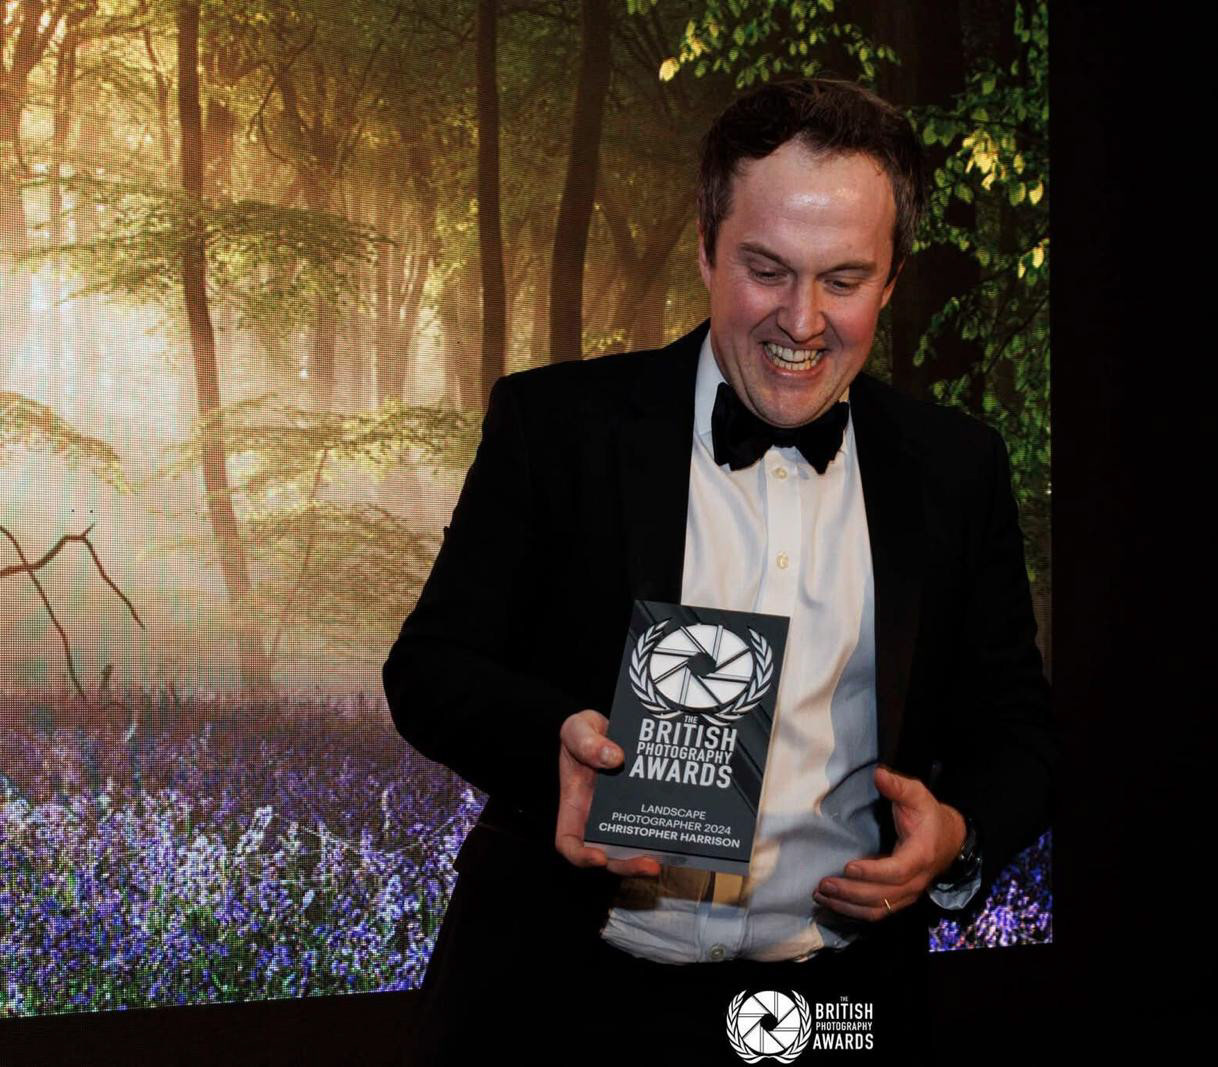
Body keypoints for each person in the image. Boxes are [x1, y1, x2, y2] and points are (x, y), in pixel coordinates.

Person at [383, 78, 1055, 1062]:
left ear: (892, 281)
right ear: (705, 248)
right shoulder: (558, 426)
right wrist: (551, 746)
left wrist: (956, 834)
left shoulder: (955, 467)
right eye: (766, 269)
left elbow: (1016, 727)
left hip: (835, 1011)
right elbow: (429, 667)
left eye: (844, 278)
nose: (803, 321)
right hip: (567, 992)